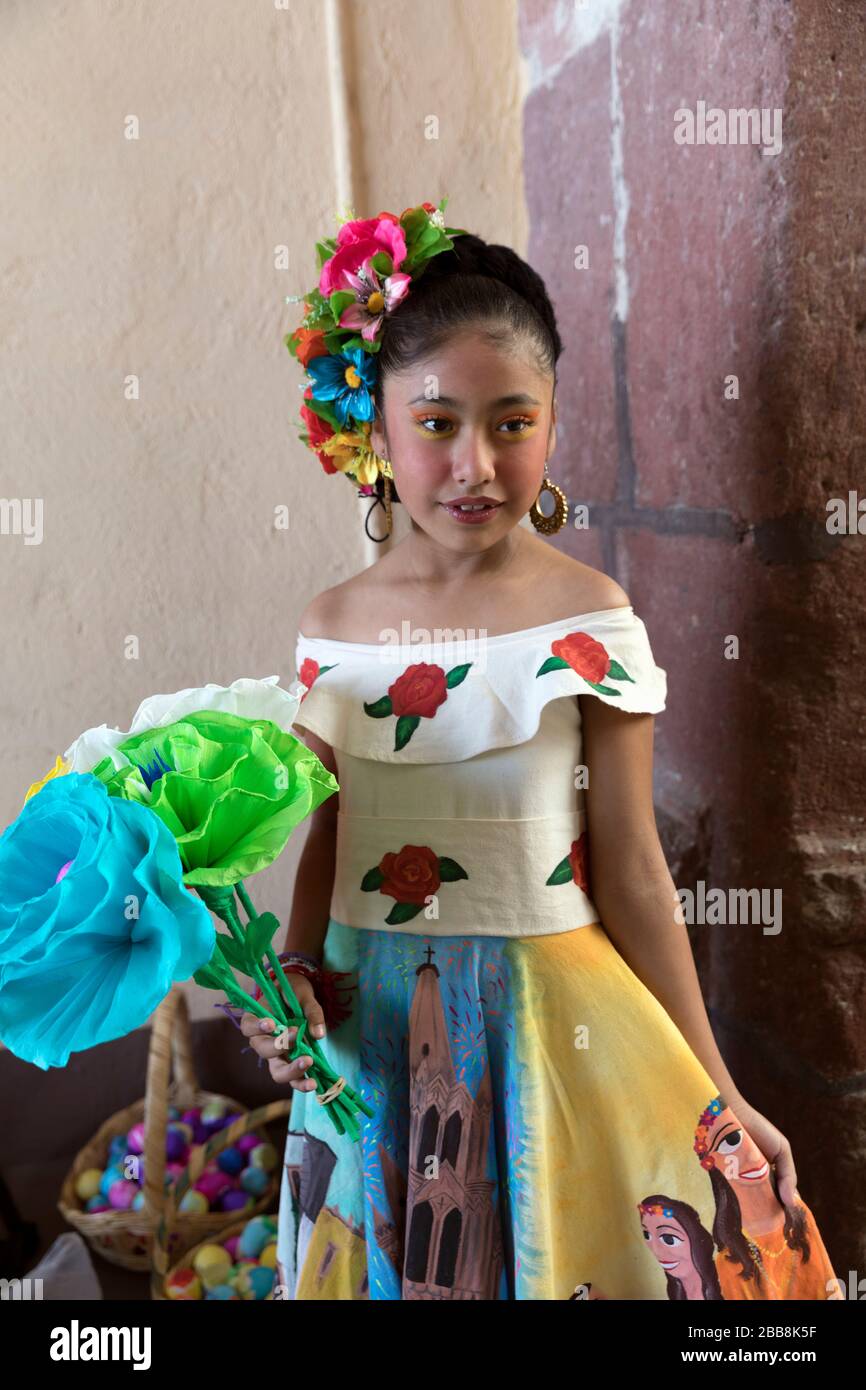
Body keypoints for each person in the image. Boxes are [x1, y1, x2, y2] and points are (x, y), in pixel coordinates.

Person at [240, 201, 837, 1300]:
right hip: (373, 1040)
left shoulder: (590, 615)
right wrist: (295, 991)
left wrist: (718, 1087)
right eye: (436, 422)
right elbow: (324, 830)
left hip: (555, 1035)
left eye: (511, 422)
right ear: (372, 427)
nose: (474, 462)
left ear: (552, 424)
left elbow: (632, 868)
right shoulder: (331, 623)